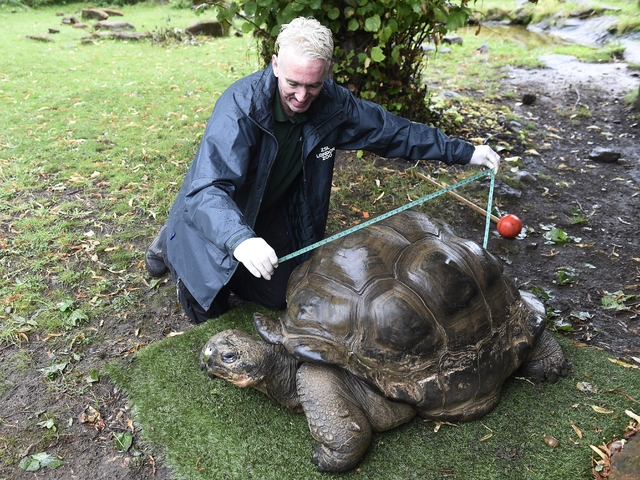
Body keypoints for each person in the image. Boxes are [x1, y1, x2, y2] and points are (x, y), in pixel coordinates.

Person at [145, 16, 501, 324]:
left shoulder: (333, 103)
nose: (302, 97)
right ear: (275, 65)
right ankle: (173, 244)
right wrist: (240, 241)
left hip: (266, 213)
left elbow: (393, 131)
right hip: (215, 215)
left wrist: (466, 152)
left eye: (313, 85)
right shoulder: (239, 108)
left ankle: (228, 256)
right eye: (293, 84)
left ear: (328, 73)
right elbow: (209, 190)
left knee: (281, 295)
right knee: (209, 306)